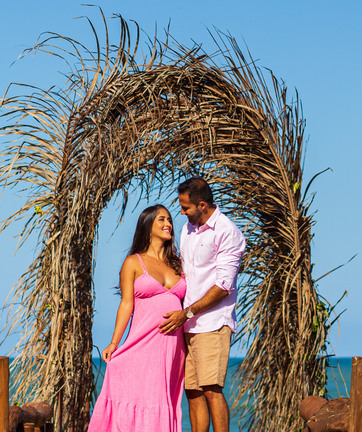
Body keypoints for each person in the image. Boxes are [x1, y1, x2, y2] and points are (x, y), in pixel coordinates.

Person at [88, 205, 188, 432]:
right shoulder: (134, 262)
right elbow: (126, 304)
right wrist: (114, 342)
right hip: (142, 343)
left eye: (169, 220)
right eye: (161, 220)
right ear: (148, 225)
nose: (168, 224)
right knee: (142, 397)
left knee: (163, 399)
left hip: (172, 347)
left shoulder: (179, 264)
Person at [159, 177, 247, 432]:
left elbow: (223, 287)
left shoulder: (227, 232)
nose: (182, 212)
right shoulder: (189, 228)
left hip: (212, 322)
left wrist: (186, 313)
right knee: (193, 391)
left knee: (211, 389)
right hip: (186, 325)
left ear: (202, 205)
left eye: (186, 207)